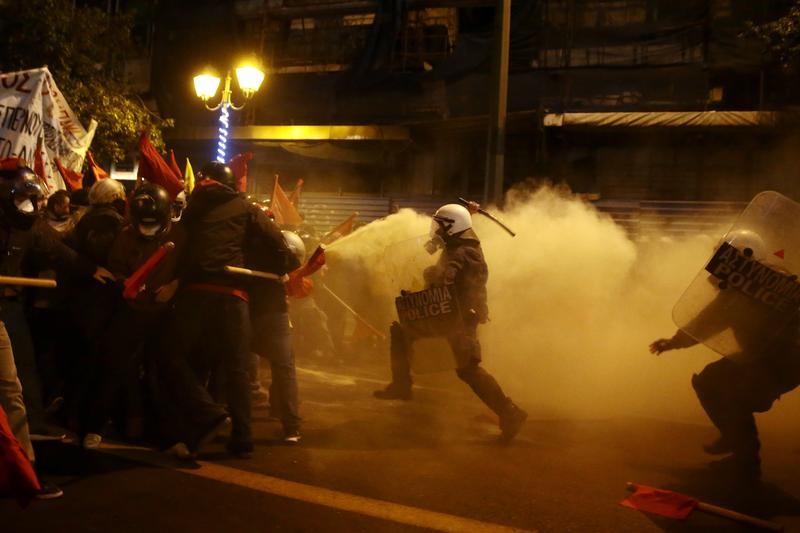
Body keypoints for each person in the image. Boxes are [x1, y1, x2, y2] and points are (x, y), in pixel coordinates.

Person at [163, 161, 296, 458]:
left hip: (195, 295)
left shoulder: (193, 207)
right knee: (237, 368)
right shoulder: (245, 207)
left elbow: (181, 247)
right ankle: (242, 437)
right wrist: (283, 269)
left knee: (179, 359)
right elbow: (277, 242)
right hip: (234, 296)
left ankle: (202, 420)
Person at [0, 163, 114, 498]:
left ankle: (25, 470)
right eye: (23, 198)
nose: (31, 206)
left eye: (33, 200)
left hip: (6, 309)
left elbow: (57, 250)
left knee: (12, 388)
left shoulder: (30, 227)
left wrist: (92, 268)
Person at [650, 230, 800, 482]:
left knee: (720, 388)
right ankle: (738, 443)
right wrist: (674, 342)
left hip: (778, 362)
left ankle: (745, 460)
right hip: (767, 360)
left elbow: (706, 324)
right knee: (714, 382)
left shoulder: (763, 292)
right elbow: (705, 324)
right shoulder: (776, 286)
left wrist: (673, 343)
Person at [374, 203, 528, 442]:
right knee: (402, 333)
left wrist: (431, 276)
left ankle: (510, 412)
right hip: (448, 316)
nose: (436, 231)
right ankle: (401, 385)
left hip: (459, 319)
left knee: (468, 369)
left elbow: (451, 281)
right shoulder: (459, 247)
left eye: (440, 227)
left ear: (452, 227)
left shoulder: (464, 253)